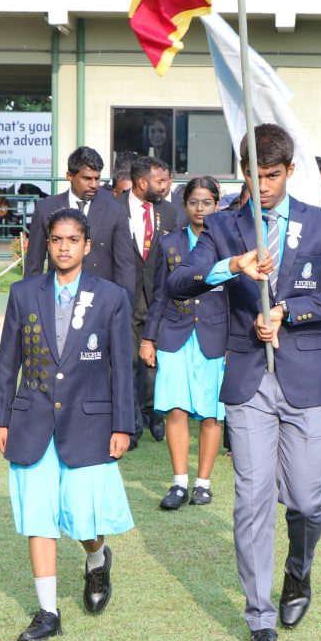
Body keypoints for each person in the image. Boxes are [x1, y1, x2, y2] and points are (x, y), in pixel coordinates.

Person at [166, 123, 321, 641]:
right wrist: (230, 266)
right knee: (251, 501)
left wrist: (289, 311)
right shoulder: (225, 225)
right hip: (249, 382)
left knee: (306, 500)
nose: (265, 185)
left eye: (274, 175)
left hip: (309, 378)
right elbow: (177, 282)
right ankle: (259, 619)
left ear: (290, 171)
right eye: (255, 175)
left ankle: (298, 574)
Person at [0, 208, 135, 641]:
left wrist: (123, 424)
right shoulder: (23, 293)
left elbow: (121, 369)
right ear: (47, 245)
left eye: (73, 239)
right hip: (31, 420)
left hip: (89, 422)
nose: (65, 247)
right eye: (56, 240)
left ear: (87, 247)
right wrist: (0, 419)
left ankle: (96, 558)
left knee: (83, 519)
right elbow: (6, 361)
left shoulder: (111, 297)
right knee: (39, 516)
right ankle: (48, 612)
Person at [141, 177, 227, 510]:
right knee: (175, 409)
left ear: (217, 205)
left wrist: (235, 344)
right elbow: (159, 293)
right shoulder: (169, 243)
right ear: (184, 205)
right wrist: (149, 337)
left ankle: (203, 484)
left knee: (210, 413)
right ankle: (179, 482)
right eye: (194, 202)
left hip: (214, 336)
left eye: (207, 202)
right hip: (174, 334)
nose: (200, 209)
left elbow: (236, 298)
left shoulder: (228, 242)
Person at [25, 147, 137, 307]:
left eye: (97, 179)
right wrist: (29, 305)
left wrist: (124, 307)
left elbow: (125, 266)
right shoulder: (46, 209)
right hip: (57, 300)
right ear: (69, 176)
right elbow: (33, 264)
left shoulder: (115, 211)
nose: (94, 185)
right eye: (87, 178)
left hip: (101, 302)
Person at [121, 155, 182, 448]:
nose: (166, 186)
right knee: (127, 362)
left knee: (155, 363)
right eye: (160, 181)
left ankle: (155, 416)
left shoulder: (171, 213)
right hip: (123, 298)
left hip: (159, 298)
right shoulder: (112, 208)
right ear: (142, 182)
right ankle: (131, 425)